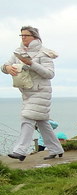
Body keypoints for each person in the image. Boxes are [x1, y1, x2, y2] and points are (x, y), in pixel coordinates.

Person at [2, 26, 64, 161]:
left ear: (35, 37)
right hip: (26, 92)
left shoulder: (44, 53)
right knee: (43, 123)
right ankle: (56, 149)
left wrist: (30, 63)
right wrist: (7, 68)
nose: (23, 37)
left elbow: (49, 74)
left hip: (41, 91)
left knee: (27, 118)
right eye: (21, 35)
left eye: (26, 35)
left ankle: (20, 151)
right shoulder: (18, 52)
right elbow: (4, 66)